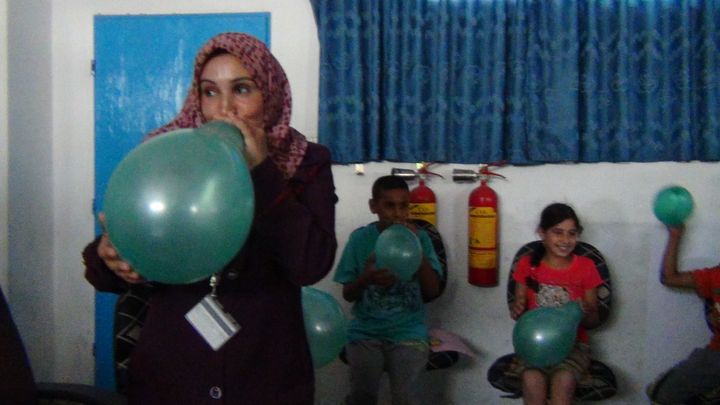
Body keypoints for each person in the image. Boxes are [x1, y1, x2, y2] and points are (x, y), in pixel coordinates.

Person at [82, 32, 337, 404]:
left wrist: (260, 170)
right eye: (210, 92)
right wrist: (110, 259)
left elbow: (310, 265)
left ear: (269, 92)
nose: (224, 110)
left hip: (266, 377)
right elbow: (107, 263)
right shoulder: (167, 156)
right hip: (172, 375)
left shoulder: (305, 162)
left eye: (242, 89)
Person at [333, 175, 443, 405]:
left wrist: (417, 251)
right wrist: (367, 278)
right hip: (366, 331)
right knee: (362, 396)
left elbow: (432, 291)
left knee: (406, 398)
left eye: (404, 206)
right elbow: (348, 293)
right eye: (389, 206)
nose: (397, 213)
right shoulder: (360, 239)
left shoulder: (419, 238)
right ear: (374, 206)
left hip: (408, 332)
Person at [510, 203, 603, 405]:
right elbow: (519, 309)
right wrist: (517, 309)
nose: (565, 240)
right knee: (532, 379)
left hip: (574, 345)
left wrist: (587, 311)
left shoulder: (586, 267)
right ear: (542, 233)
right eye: (557, 233)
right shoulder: (527, 264)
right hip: (534, 346)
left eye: (571, 234)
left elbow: (594, 322)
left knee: (564, 381)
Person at [646, 224, 720, 404]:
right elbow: (669, 277)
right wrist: (675, 235)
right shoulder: (715, 275)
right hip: (716, 356)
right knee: (661, 393)